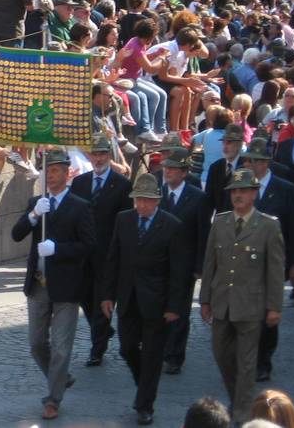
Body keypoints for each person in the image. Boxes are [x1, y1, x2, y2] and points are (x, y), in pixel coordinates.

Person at [11, 147, 94, 422]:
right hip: (38, 284)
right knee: (36, 344)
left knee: (60, 346)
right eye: (48, 170)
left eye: (57, 170)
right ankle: (60, 377)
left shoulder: (80, 206)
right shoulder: (38, 202)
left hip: (66, 287)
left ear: (68, 173)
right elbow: (16, 234)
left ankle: (53, 399)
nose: (52, 175)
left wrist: (58, 249)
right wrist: (34, 214)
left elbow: (88, 246)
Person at [100, 172, 187, 426]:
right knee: (127, 348)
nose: (141, 205)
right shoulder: (123, 220)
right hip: (128, 298)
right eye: (138, 200)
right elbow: (113, 259)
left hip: (156, 303)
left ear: (157, 201)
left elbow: (178, 271)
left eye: (147, 200)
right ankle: (145, 384)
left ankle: (145, 405)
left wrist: (174, 306)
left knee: (152, 355)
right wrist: (107, 295)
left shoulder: (172, 226)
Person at [200, 168, 286, 425]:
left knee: (247, 363)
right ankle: (239, 399)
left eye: (243, 190)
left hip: (251, 304)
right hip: (222, 302)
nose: (238, 195)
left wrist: (274, 306)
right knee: (221, 355)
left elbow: (275, 269)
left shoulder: (269, 226)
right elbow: (209, 264)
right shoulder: (220, 222)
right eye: (234, 191)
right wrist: (204, 300)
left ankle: (241, 413)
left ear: (254, 193)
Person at [244, 137, 294, 382]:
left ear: (267, 162)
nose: (252, 165)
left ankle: (264, 359)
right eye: (249, 160)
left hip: (273, 264)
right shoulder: (240, 186)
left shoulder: (285, 189)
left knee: (267, 314)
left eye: (257, 161)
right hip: (244, 262)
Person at [69, 132, 132, 367]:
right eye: (95, 153)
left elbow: (125, 222)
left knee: (103, 299)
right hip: (83, 254)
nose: (98, 158)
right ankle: (102, 331)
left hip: (107, 254)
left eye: (103, 153)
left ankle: (98, 347)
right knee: (85, 298)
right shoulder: (80, 182)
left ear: (109, 155)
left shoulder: (122, 185)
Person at [158, 148, 211, 375]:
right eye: (166, 167)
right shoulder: (157, 194)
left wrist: (200, 266)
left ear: (184, 172)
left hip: (185, 264)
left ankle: (174, 356)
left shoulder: (197, 198)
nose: (168, 171)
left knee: (179, 310)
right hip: (159, 263)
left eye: (173, 168)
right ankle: (161, 349)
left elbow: (203, 233)